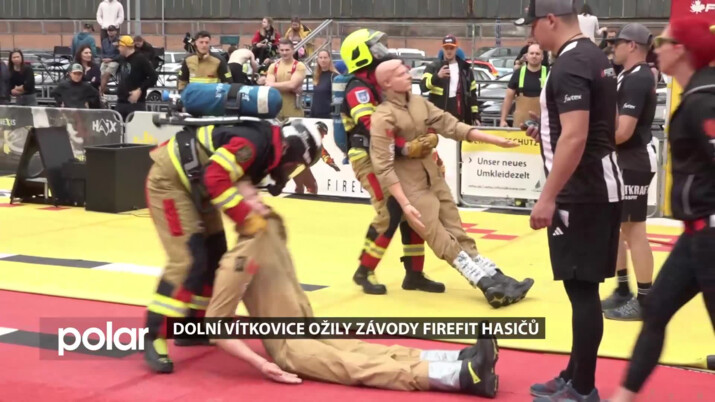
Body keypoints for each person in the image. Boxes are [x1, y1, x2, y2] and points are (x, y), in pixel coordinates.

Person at [203, 209, 499, 398]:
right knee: (359, 366)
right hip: (290, 345)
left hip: (311, 329)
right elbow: (217, 327)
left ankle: (459, 358)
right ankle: (462, 376)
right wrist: (263, 364)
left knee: (371, 350)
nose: (258, 199)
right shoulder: (238, 261)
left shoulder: (267, 235)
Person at [143, 116, 323, 374]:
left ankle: (193, 327)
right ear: (289, 148)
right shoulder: (253, 144)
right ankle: (155, 333)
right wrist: (245, 218)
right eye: (294, 164)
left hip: (198, 187)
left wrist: (256, 210)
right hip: (170, 183)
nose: (290, 170)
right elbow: (216, 177)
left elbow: (236, 181)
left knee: (215, 255)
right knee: (188, 260)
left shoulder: (267, 150)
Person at [515, 1, 622, 400]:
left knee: (582, 291)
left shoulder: (571, 64)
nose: (531, 35)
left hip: (583, 192)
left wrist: (547, 197)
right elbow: (588, 127)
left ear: (550, 20)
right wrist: (547, 131)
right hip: (595, 185)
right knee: (582, 288)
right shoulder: (592, 57)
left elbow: (575, 136)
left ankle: (582, 386)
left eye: (532, 26)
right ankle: (574, 374)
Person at [609, 17, 715, 402]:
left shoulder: (704, 101)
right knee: (655, 312)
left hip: (711, 236)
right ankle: (623, 396)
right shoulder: (696, 95)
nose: (657, 49)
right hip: (694, 235)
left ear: (680, 51)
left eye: (664, 42)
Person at [371, 59, 535, 308]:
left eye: (406, 70)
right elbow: (383, 167)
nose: (408, 73)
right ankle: (485, 284)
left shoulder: (419, 103)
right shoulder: (382, 117)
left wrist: (493, 139)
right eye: (400, 72)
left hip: (432, 176)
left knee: (458, 232)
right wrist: (404, 203)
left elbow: (450, 125)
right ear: (386, 82)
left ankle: (499, 278)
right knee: (440, 238)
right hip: (410, 186)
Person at [339, 29, 443, 295]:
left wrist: (426, 144)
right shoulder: (358, 88)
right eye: (375, 47)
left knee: (414, 210)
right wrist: (406, 147)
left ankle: (415, 274)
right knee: (389, 212)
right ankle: (364, 271)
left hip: (392, 155)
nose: (382, 51)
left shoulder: (383, 85)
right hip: (367, 157)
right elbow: (370, 125)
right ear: (362, 55)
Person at [600, 24, 658, 321]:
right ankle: (623, 289)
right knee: (620, 229)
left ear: (632, 45)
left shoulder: (638, 78)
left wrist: (592, 142)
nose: (613, 48)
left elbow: (623, 132)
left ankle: (646, 299)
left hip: (633, 159)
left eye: (617, 43)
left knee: (635, 231)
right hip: (625, 159)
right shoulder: (628, 75)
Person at [420, 35, 480, 125]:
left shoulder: (465, 70)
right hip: (438, 117)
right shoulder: (433, 67)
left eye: (451, 48)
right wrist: (437, 76)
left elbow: (472, 95)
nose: (449, 51)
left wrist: (475, 116)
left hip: (459, 116)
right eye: (446, 48)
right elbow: (423, 87)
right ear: (442, 49)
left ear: (456, 49)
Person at [501, 43, 547, 128]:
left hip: (543, 127)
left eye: (537, 54)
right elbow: (508, 98)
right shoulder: (518, 74)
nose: (534, 56)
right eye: (531, 53)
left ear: (542, 57)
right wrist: (503, 120)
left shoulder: (549, 74)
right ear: (526, 56)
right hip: (520, 126)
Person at [114, 36, 158, 120]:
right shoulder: (122, 59)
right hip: (121, 101)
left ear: (125, 46)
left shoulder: (140, 59)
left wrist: (140, 89)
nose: (118, 49)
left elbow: (153, 77)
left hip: (136, 103)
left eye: (119, 46)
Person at [267, 39, 307, 120]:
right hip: (276, 113)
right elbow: (268, 87)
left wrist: (273, 85)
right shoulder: (273, 66)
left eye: (287, 50)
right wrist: (288, 86)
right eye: (282, 50)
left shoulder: (299, 66)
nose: (284, 53)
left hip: (294, 113)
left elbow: (292, 85)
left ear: (293, 50)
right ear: (278, 51)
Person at [310, 50, 338, 119]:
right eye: (321, 57)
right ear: (318, 59)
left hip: (328, 115)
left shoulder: (334, 76)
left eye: (325, 57)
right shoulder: (316, 75)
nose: (323, 60)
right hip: (315, 114)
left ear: (329, 59)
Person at [99, 25, 120, 95]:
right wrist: (103, 58)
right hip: (105, 60)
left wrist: (111, 59)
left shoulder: (119, 41)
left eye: (112, 31)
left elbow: (121, 54)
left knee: (106, 74)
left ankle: (101, 91)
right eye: (109, 31)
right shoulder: (104, 41)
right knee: (102, 72)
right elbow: (102, 52)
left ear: (115, 32)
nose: (110, 32)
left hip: (114, 61)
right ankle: (104, 90)